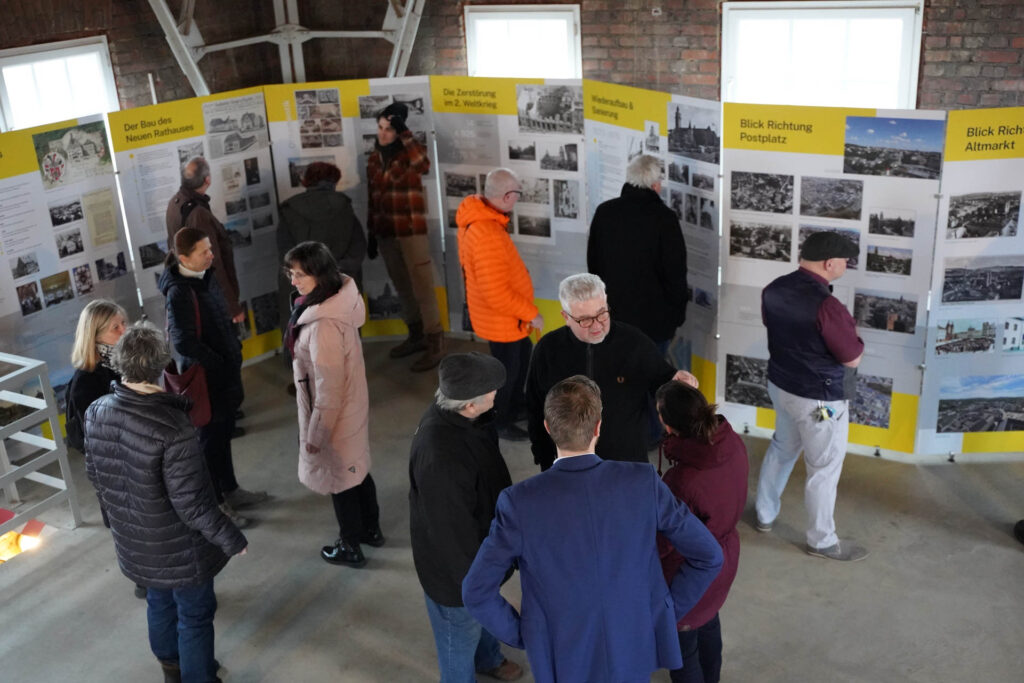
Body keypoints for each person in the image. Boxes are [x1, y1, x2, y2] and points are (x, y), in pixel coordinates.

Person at [462, 376, 723, 683]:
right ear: (599, 426)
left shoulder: (518, 502)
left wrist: (527, 633)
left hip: (562, 653)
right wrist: (661, 613)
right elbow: (709, 556)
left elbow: (476, 591)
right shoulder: (642, 482)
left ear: (548, 428)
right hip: (634, 643)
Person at [84, 321, 247, 683]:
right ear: (161, 364)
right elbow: (192, 504)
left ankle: (170, 667)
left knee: (158, 601)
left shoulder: (96, 411)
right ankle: (199, 676)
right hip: (181, 547)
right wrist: (230, 537)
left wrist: (117, 520)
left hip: (136, 540)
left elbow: (96, 476)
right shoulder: (173, 427)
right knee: (194, 613)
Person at [409, 352, 523, 682]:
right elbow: (452, 539)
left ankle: (488, 658)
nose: (496, 396)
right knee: (457, 641)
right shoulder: (441, 458)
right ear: (469, 405)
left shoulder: (463, 418)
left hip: (479, 556)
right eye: (492, 394)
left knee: (479, 615)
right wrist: (479, 583)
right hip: (456, 577)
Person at [755, 231, 868, 562]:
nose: (846, 266)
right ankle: (821, 540)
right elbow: (852, 358)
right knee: (824, 467)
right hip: (820, 402)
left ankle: (764, 514)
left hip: (781, 386)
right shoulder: (828, 306)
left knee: (782, 447)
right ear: (829, 263)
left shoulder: (774, 289)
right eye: (845, 261)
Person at [525, 273, 698, 470]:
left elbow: (662, 379)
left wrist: (676, 381)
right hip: (565, 467)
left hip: (626, 464)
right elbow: (535, 406)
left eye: (602, 313)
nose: (597, 325)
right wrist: (542, 455)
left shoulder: (634, 343)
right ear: (566, 317)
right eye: (585, 320)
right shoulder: (548, 350)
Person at [159, 227, 267, 529]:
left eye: (210, 248)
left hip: (224, 373)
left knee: (223, 435)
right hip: (207, 379)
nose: (211, 254)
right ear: (184, 258)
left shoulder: (205, 276)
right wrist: (218, 361)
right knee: (209, 443)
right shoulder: (180, 291)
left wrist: (233, 350)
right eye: (204, 251)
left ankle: (231, 489)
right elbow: (184, 343)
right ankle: (216, 504)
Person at [283, 241, 381, 568]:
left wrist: (315, 437)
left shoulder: (323, 324)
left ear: (319, 275)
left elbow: (329, 392)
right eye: (291, 274)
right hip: (352, 406)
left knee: (339, 478)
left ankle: (350, 545)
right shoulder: (336, 300)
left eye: (300, 275)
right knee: (356, 466)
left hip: (335, 414)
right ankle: (371, 529)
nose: (293, 281)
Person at [655, 380, 749, 683]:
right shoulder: (730, 442)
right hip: (726, 555)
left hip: (690, 573)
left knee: (683, 651)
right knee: (708, 624)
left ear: (670, 426)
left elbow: (665, 543)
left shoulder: (682, 479)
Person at [456, 168, 542, 442]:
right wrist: (532, 314)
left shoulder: (486, 221)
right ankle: (500, 421)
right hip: (502, 320)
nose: (519, 197)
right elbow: (496, 294)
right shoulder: (487, 233)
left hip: (506, 320)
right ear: (506, 196)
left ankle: (515, 407)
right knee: (505, 375)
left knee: (519, 362)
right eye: (517, 192)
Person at [366, 102, 445, 372]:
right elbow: (372, 197)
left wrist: (406, 133)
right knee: (402, 287)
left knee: (423, 288)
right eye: (380, 128)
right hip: (387, 232)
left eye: (389, 129)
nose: (383, 134)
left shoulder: (410, 154)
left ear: (399, 130)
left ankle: (435, 344)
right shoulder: (374, 158)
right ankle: (416, 336)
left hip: (411, 232)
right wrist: (371, 232)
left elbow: (424, 165)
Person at [587, 154, 688, 352]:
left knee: (612, 377)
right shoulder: (665, 219)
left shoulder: (605, 212)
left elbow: (594, 266)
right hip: (654, 323)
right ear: (655, 185)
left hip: (612, 318)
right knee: (651, 378)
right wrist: (677, 317)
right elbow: (675, 272)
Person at [277, 161, 367, 328]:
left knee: (302, 338)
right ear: (334, 181)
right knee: (345, 336)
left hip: (302, 286)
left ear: (307, 181)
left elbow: (285, 252)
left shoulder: (289, 210)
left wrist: (308, 274)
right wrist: (335, 272)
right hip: (339, 283)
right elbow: (358, 247)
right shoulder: (344, 207)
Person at [166, 156, 244, 324]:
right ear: (207, 180)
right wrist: (232, 307)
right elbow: (212, 262)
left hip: (192, 290)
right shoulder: (198, 213)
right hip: (209, 296)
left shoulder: (174, 203)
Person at [66, 299, 127, 454]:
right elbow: (96, 436)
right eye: (115, 328)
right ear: (95, 336)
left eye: (123, 323)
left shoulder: (121, 363)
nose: (124, 331)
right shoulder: (85, 381)